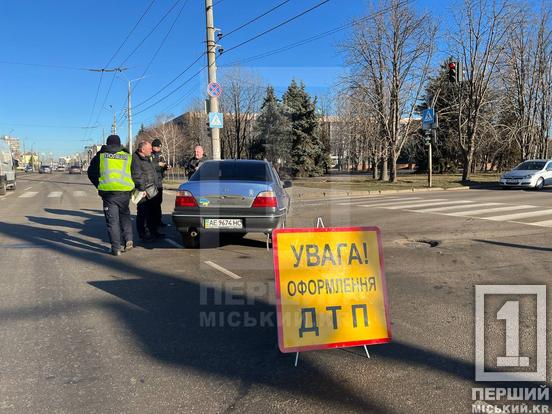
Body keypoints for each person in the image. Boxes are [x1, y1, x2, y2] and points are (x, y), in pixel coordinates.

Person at [87, 135, 135, 256]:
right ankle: (128, 239)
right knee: (125, 216)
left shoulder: (101, 156)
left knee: (112, 221)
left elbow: (91, 172)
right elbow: (134, 172)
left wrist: (99, 184)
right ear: (119, 144)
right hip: (125, 192)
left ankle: (116, 248)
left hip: (109, 194)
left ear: (107, 144)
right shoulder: (127, 156)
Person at [131, 140, 163, 241]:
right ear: (142, 149)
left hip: (151, 189)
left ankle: (154, 232)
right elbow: (137, 175)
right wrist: (142, 189)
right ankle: (143, 234)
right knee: (143, 214)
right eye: (149, 148)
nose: (151, 150)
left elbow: (151, 170)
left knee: (152, 213)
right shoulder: (136, 159)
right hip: (143, 191)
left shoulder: (146, 157)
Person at [151, 138, 168, 228]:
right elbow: (149, 165)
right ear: (153, 147)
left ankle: (158, 220)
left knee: (159, 202)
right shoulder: (150, 155)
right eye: (158, 147)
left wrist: (166, 166)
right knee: (153, 203)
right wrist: (158, 164)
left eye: (160, 147)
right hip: (152, 182)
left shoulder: (161, 155)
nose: (159, 149)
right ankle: (152, 221)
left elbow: (164, 165)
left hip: (159, 181)